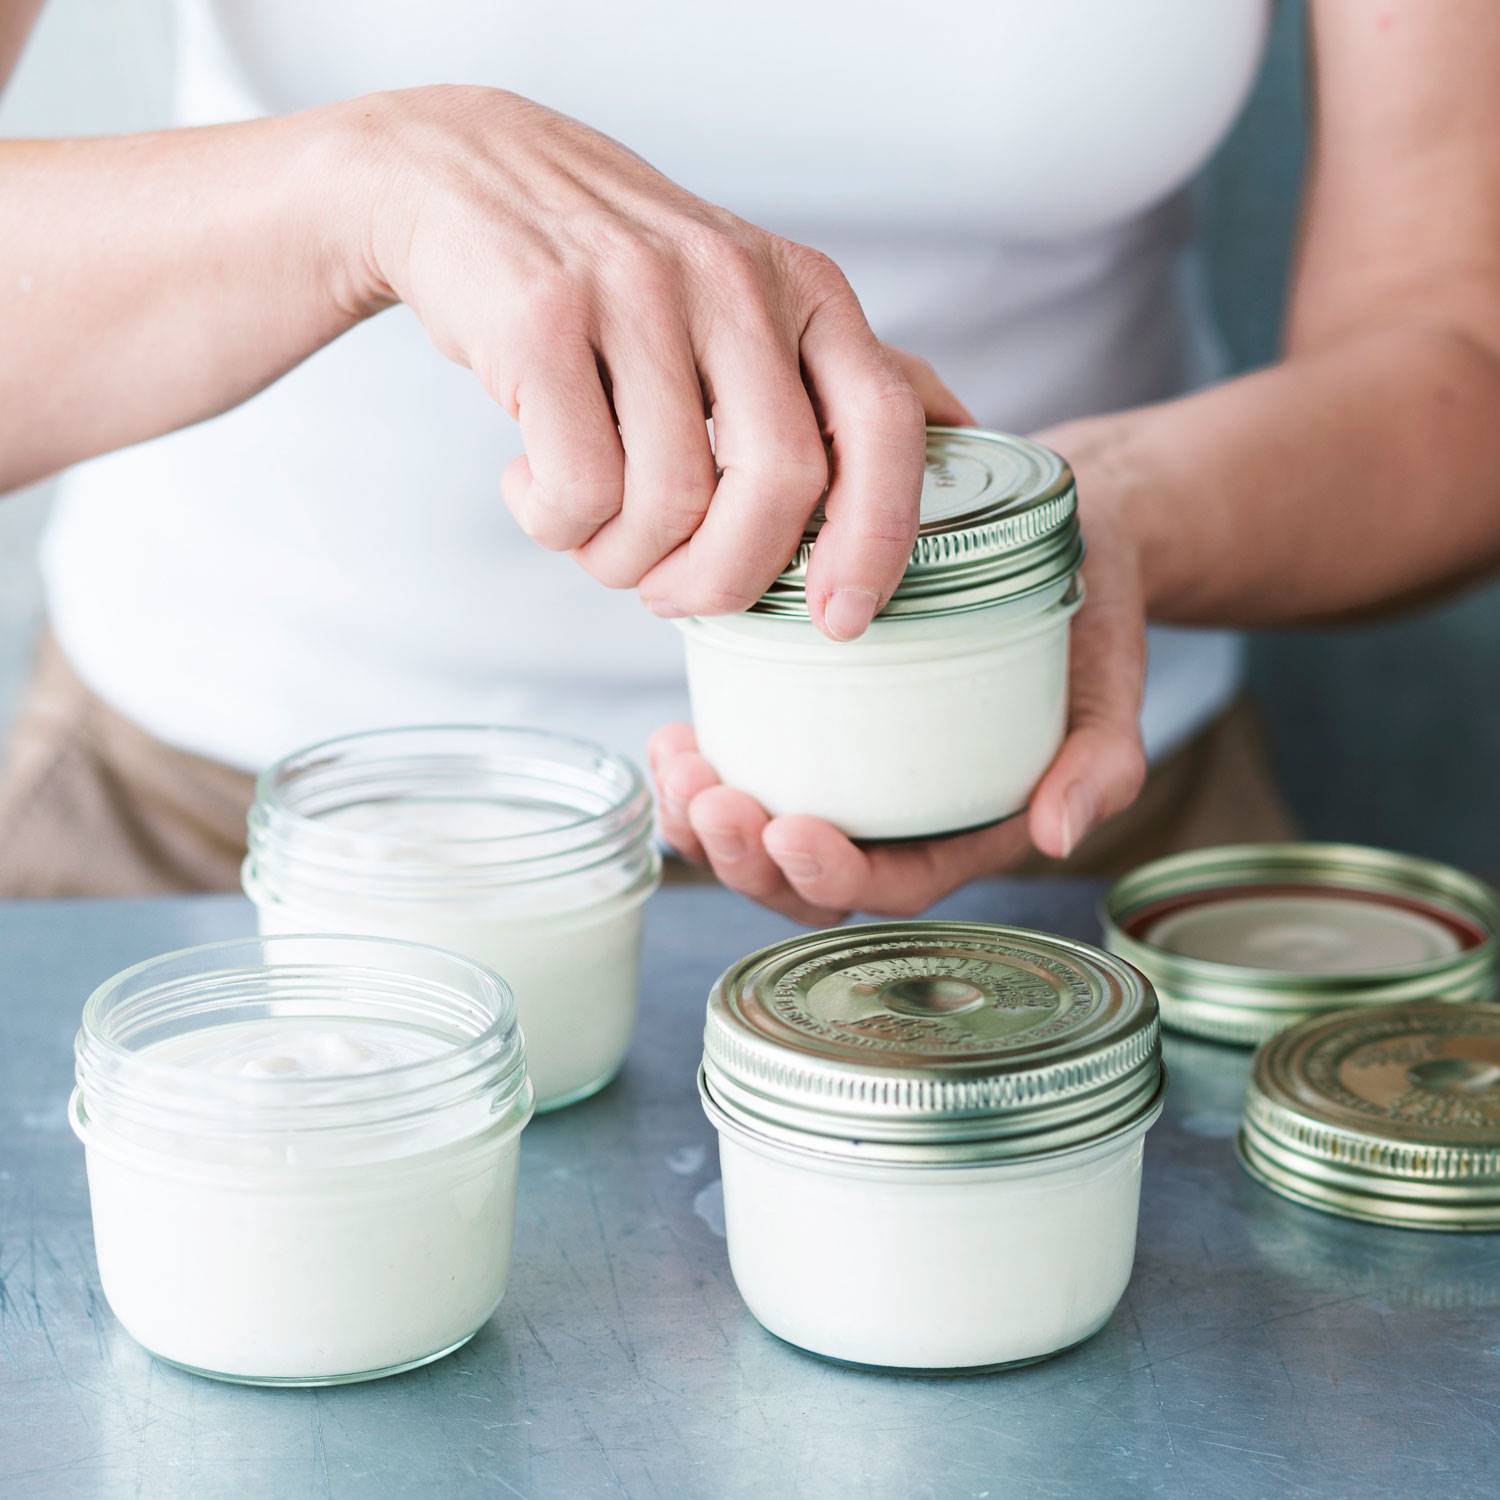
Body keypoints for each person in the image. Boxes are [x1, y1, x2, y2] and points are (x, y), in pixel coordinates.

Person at [1, 2, 1497, 923]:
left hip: (1081, 831)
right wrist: (355, 186)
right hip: (227, 842)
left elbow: (1463, 358)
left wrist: (1089, 525)